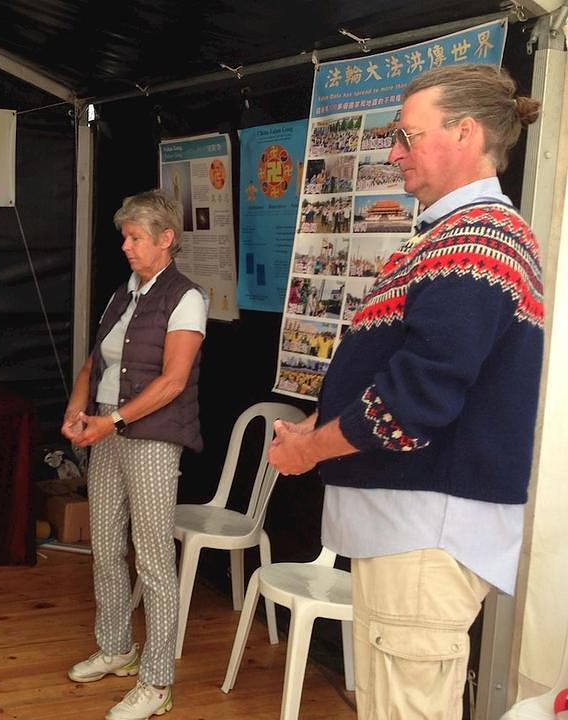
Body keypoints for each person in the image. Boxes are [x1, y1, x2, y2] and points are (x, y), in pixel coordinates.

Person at [268, 64, 543, 720]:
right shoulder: (453, 237)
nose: (394, 153)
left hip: (424, 538)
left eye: (407, 136)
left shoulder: (477, 241)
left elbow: (412, 402)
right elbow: (402, 376)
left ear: (466, 132)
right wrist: (316, 427)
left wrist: (312, 452)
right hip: (409, 536)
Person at [62, 189, 207, 720]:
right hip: (106, 431)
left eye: (135, 237)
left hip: (150, 438)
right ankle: (117, 647)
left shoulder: (186, 297)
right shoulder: (123, 294)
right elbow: (93, 364)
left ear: (165, 240)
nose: (125, 246)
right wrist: (77, 413)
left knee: (151, 557)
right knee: (104, 545)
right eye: (124, 236)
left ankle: (157, 680)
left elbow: (172, 381)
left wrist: (113, 420)